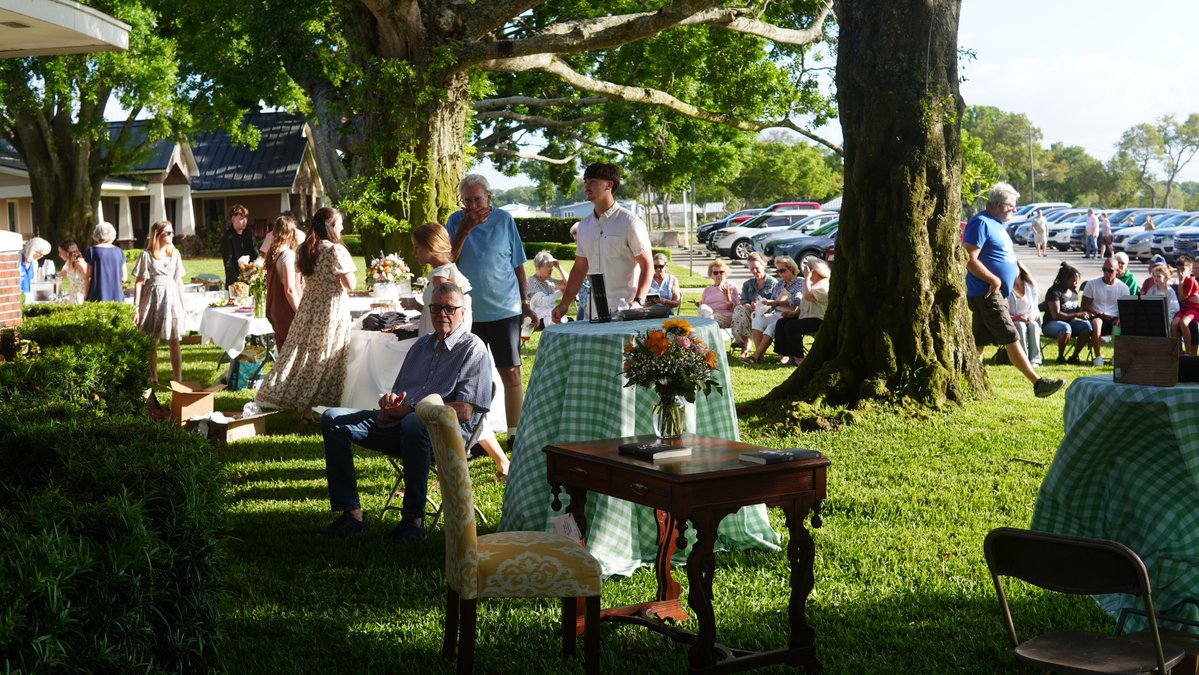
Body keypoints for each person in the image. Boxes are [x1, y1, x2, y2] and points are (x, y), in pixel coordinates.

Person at [317, 283, 492, 545]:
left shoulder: (472, 349)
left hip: (445, 438)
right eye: (435, 307)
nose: (442, 313)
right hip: (401, 426)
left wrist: (410, 410)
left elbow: (465, 412)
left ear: (463, 312)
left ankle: (413, 521)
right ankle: (352, 514)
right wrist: (388, 402)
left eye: (449, 308)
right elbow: (400, 393)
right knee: (332, 418)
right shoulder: (420, 346)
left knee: (414, 422)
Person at [446, 174, 530, 443]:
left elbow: (518, 263)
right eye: (467, 201)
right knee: (468, 379)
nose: (472, 206)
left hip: (505, 309)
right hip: (468, 312)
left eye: (477, 200)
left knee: (512, 372)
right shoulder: (455, 221)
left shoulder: (504, 220)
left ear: (489, 198)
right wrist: (465, 229)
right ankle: (470, 436)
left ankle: (516, 434)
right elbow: (448, 260)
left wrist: (526, 302)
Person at [256, 207, 356, 423]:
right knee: (324, 356)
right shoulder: (335, 251)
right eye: (340, 224)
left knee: (304, 355)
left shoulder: (305, 249)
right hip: (330, 309)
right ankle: (321, 409)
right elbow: (351, 285)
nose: (342, 228)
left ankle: (306, 411)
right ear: (330, 227)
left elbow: (302, 276)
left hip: (309, 307)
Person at [963, 182, 1063, 397]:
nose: (1014, 210)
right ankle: (1038, 383)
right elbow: (969, 258)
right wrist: (994, 280)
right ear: (998, 204)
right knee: (1011, 335)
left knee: (979, 341)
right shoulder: (981, 222)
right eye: (1011, 206)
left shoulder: (998, 225)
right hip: (987, 293)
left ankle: (970, 381)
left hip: (995, 293)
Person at [553, 162, 652, 323]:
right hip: (592, 313)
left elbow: (647, 265)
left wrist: (638, 301)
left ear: (609, 185)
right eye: (585, 181)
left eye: (592, 181)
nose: (586, 186)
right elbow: (579, 268)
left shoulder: (630, 223)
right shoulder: (584, 226)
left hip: (625, 312)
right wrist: (565, 304)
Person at [132, 220, 186, 384]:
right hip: (152, 301)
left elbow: (178, 281)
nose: (172, 235)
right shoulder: (146, 255)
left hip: (171, 300)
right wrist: (135, 308)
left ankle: (178, 379)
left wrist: (184, 307)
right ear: (158, 235)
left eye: (172, 232)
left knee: (174, 341)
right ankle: (153, 376)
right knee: (151, 342)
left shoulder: (175, 254)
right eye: (168, 233)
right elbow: (139, 282)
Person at [411, 221, 473, 336]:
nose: (414, 253)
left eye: (417, 247)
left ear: (431, 246)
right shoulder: (447, 271)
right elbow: (439, 311)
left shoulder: (441, 277)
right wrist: (417, 306)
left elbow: (447, 318)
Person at [743, 256, 804, 364]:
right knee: (757, 320)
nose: (780, 273)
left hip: (791, 315)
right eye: (778, 271)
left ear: (792, 269)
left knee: (771, 327)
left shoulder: (800, 282)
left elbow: (796, 301)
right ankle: (760, 356)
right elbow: (773, 301)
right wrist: (763, 305)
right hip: (777, 313)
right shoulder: (780, 284)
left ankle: (755, 356)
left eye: (783, 270)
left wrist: (775, 302)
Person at [773, 256, 831, 365]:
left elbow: (809, 296)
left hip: (819, 319)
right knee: (782, 322)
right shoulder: (810, 284)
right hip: (806, 317)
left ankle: (798, 358)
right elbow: (803, 303)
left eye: (806, 270)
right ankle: (785, 355)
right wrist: (794, 313)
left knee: (792, 326)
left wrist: (807, 278)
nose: (805, 272)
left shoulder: (824, 284)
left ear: (813, 270)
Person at [1082, 259, 1131, 366]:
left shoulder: (1123, 288)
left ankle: (1117, 356)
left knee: (1121, 324)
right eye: (1104, 270)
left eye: (1110, 270)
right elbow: (1084, 305)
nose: (1106, 273)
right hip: (1096, 316)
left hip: (1114, 319)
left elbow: (1126, 309)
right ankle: (1098, 357)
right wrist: (1099, 314)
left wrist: (1120, 318)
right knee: (1097, 322)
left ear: (1117, 271)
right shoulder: (1092, 284)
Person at [264, 213, 303, 348]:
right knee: (293, 352)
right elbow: (289, 289)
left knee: (283, 353)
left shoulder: (272, 254)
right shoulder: (287, 255)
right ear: (291, 233)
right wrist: (300, 311)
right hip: (286, 310)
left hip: (275, 309)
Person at [1042, 262, 1092, 365]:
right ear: (1065, 279)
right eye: (1074, 280)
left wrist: (1085, 314)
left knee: (1087, 326)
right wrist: (1076, 315)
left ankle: (1074, 357)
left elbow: (1077, 309)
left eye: (1078, 280)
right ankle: (1060, 357)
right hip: (1051, 324)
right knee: (1065, 328)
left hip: (1069, 323)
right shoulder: (1054, 292)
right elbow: (1056, 315)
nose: (1076, 283)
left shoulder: (1073, 292)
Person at [731, 252, 775, 358]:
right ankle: (741, 341)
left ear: (763, 264)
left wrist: (762, 307)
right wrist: (749, 306)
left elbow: (776, 304)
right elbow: (744, 301)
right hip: (750, 313)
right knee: (739, 308)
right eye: (751, 269)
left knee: (755, 317)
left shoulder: (773, 283)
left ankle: (749, 349)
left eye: (756, 268)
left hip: (767, 314)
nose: (754, 271)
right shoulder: (748, 284)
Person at [1008, 263, 1042, 367]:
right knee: (1020, 326)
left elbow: (1035, 309)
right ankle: (1022, 359)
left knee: (1034, 326)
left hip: (1029, 319)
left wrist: (1030, 317)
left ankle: (1035, 360)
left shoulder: (1030, 287)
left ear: (1020, 270)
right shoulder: (1006, 287)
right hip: (1012, 321)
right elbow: (1002, 312)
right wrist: (1018, 318)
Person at [84, 221, 127, 302]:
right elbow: (124, 278)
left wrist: (85, 296)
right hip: (117, 297)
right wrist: (122, 294)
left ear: (96, 234)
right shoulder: (120, 252)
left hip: (97, 297)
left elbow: (88, 277)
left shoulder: (92, 251)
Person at [221, 203, 257, 288]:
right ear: (233, 219)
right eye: (241, 219)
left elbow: (254, 253)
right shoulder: (227, 237)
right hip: (235, 280)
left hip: (250, 277)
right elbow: (228, 262)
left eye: (245, 218)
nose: (244, 221)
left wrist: (253, 271)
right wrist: (238, 280)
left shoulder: (249, 233)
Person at [526, 250, 566, 326]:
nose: (551, 269)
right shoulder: (532, 281)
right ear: (538, 267)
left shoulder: (550, 281)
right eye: (548, 266)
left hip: (550, 315)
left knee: (570, 322)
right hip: (538, 318)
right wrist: (561, 292)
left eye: (552, 266)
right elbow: (542, 302)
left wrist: (559, 267)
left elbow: (568, 284)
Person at [696, 259, 740, 328]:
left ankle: (705, 331)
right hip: (709, 316)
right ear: (711, 275)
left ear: (725, 274)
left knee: (705, 320)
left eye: (721, 272)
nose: (719, 275)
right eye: (715, 273)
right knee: (703, 308)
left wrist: (727, 297)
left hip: (725, 316)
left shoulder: (731, 286)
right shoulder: (707, 290)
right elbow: (703, 307)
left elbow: (735, 309)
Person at [1174, 257, 1199, 355]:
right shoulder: (1184, 281)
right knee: (1174, 324)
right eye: (1178, 269)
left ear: (1190, 269)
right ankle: (1179, 351)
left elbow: (1182, 298)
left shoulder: (1190, 281)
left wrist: (1180, 283)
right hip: (1185, 309)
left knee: (1184, 323)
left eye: (1183, 269)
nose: (1180, 272)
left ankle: (1188, 351)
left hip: (1193, 309)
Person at [569, 222, 590, 321]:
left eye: (578, 240)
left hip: (591, 305)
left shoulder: (592, 254)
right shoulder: (581, 255)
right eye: (575, 241)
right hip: (583, 303)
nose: (577, 244)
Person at [57, 239, 88, 304]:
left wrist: (86, 297)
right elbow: (59, 277)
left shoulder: (79, 263)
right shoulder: (68, 263)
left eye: (60, 252)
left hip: (82, 296)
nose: (59, 255)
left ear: (67, 252)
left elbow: (88, 279)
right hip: (73, 295)